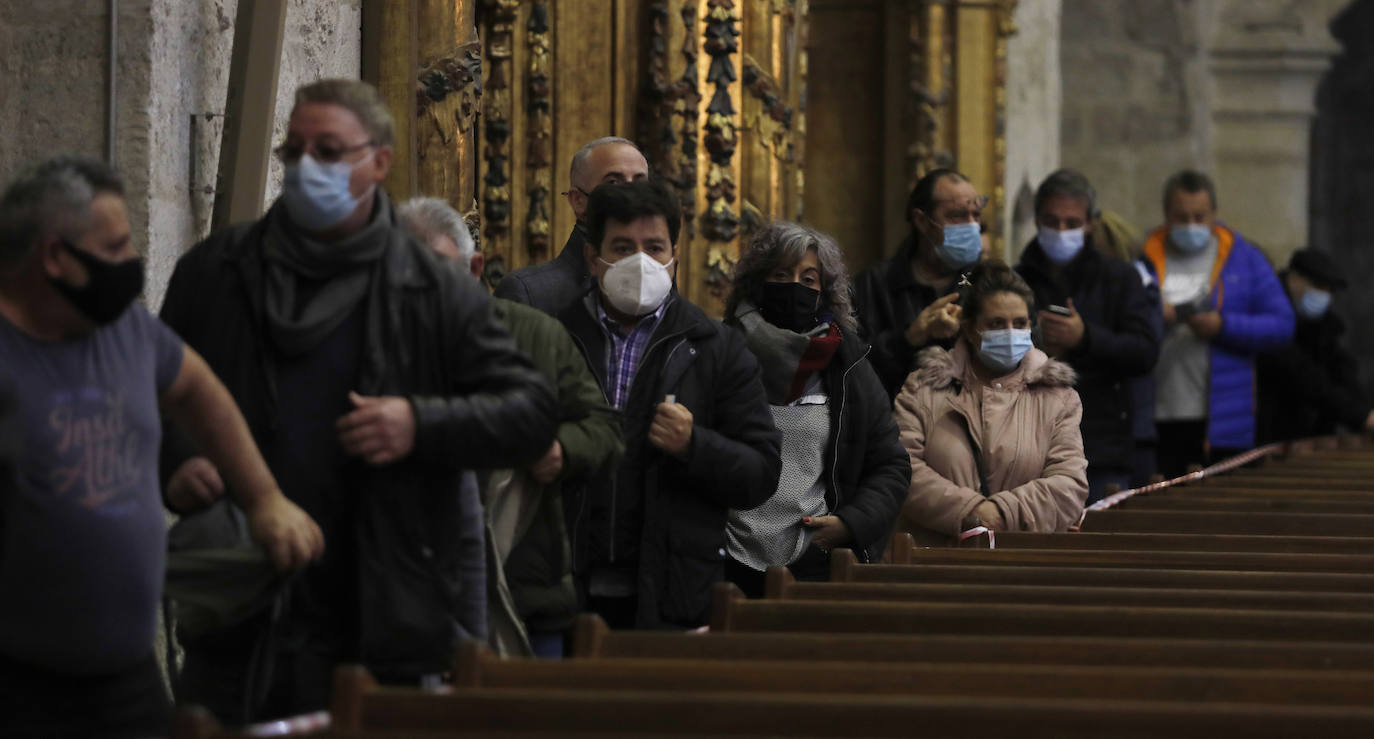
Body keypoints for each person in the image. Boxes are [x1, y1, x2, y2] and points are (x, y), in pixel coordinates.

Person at [160, 79, 558, 722]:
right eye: (294, 151)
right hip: (241, 604)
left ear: (379, 162)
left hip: (382, 611)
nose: (306, 167)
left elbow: (531, 410)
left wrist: (420, 423)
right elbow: (154, 394)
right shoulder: (216, 273)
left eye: (329, 150)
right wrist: (176, 465)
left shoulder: (431, 288)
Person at [0, 156, 322, 738]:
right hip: (20, 688)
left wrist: (264, 500)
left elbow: (200, 391)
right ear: (53, 257)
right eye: (117, 247)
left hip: (127, 679)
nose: (132, 264)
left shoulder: (127, 328)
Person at [399, 196, 622, 657]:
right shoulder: (374, 341)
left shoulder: (534, 335)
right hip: (409, 588)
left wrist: (562, 449)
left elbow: (602, 427)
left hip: (525, 585)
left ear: (473, 269)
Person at [557, 179, 780, 629]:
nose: (640, 262)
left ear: (675, 258)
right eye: (622, 247)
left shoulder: (715, 346)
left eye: (654, 247)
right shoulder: (556, 335)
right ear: (592, 257)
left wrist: (695, 445)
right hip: (564, 586)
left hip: (673, 592)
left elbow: (761, 473)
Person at [721, 222, 909, 596]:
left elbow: (890, 464)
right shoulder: (720, 351)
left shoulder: (848, 364)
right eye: (781, 274)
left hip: (811, 563)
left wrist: (849, 524)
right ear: (759, 282)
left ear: (824, 293)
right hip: (725, 560)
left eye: (808, 280)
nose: (794, 287)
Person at [893, 261, 1088, 546]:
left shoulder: (1058, 397)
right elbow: (901, 468)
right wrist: (970, 512)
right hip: (932, 561)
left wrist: (1001, 513)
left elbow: (1069, 484)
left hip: (1023, 562)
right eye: (997, 324)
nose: (1010, 333)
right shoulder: (923, 389)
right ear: (971, 330)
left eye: (1020, 323)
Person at [1014, 169, 1160, 503]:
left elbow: (1145, 352)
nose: (1061, 232)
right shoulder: (1016, 278)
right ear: (1037, 220)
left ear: (1090, 224)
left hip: (1101, 444)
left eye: (1072, 223)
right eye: (1052, 222)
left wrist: (1085, 338)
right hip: (1026, 443)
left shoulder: (1120, 279)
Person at [1143, 170, 1294, 477]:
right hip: (1159, 410)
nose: (1190, 226)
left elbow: (1281, 324)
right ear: (1166, 215)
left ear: (1214, 213)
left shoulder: (1245, 259)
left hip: (1224, 414)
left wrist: (1223, 326)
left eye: (1200, 217)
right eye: (1181, 217)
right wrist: (1156, 318)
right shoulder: (1144, 257)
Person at [854, 168, 987, 400]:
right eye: (957, 215)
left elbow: (1025, 350)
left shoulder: (990, 280)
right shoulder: (873, 285)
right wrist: (910, 337)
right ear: (922, 221)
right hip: (895, 422)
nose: (971, 226)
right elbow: (852, 370)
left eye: (975, 215)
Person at [494, 136, 650, 315]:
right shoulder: (527, 294)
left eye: (640, 182)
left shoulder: (658, 286)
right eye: (613, 182)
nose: (632, 195)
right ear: (578, 201)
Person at [1256, 248, 1374, 442]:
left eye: (1330, 290)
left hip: (1308, 435)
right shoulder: (1267, 316)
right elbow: (1303, 375)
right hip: (1269, 433)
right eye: (1318, 285)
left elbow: (1341, 368)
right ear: (1294, 277)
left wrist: (1365, 412)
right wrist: (1361, 416)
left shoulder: (1324, 325)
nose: (1323, 296)